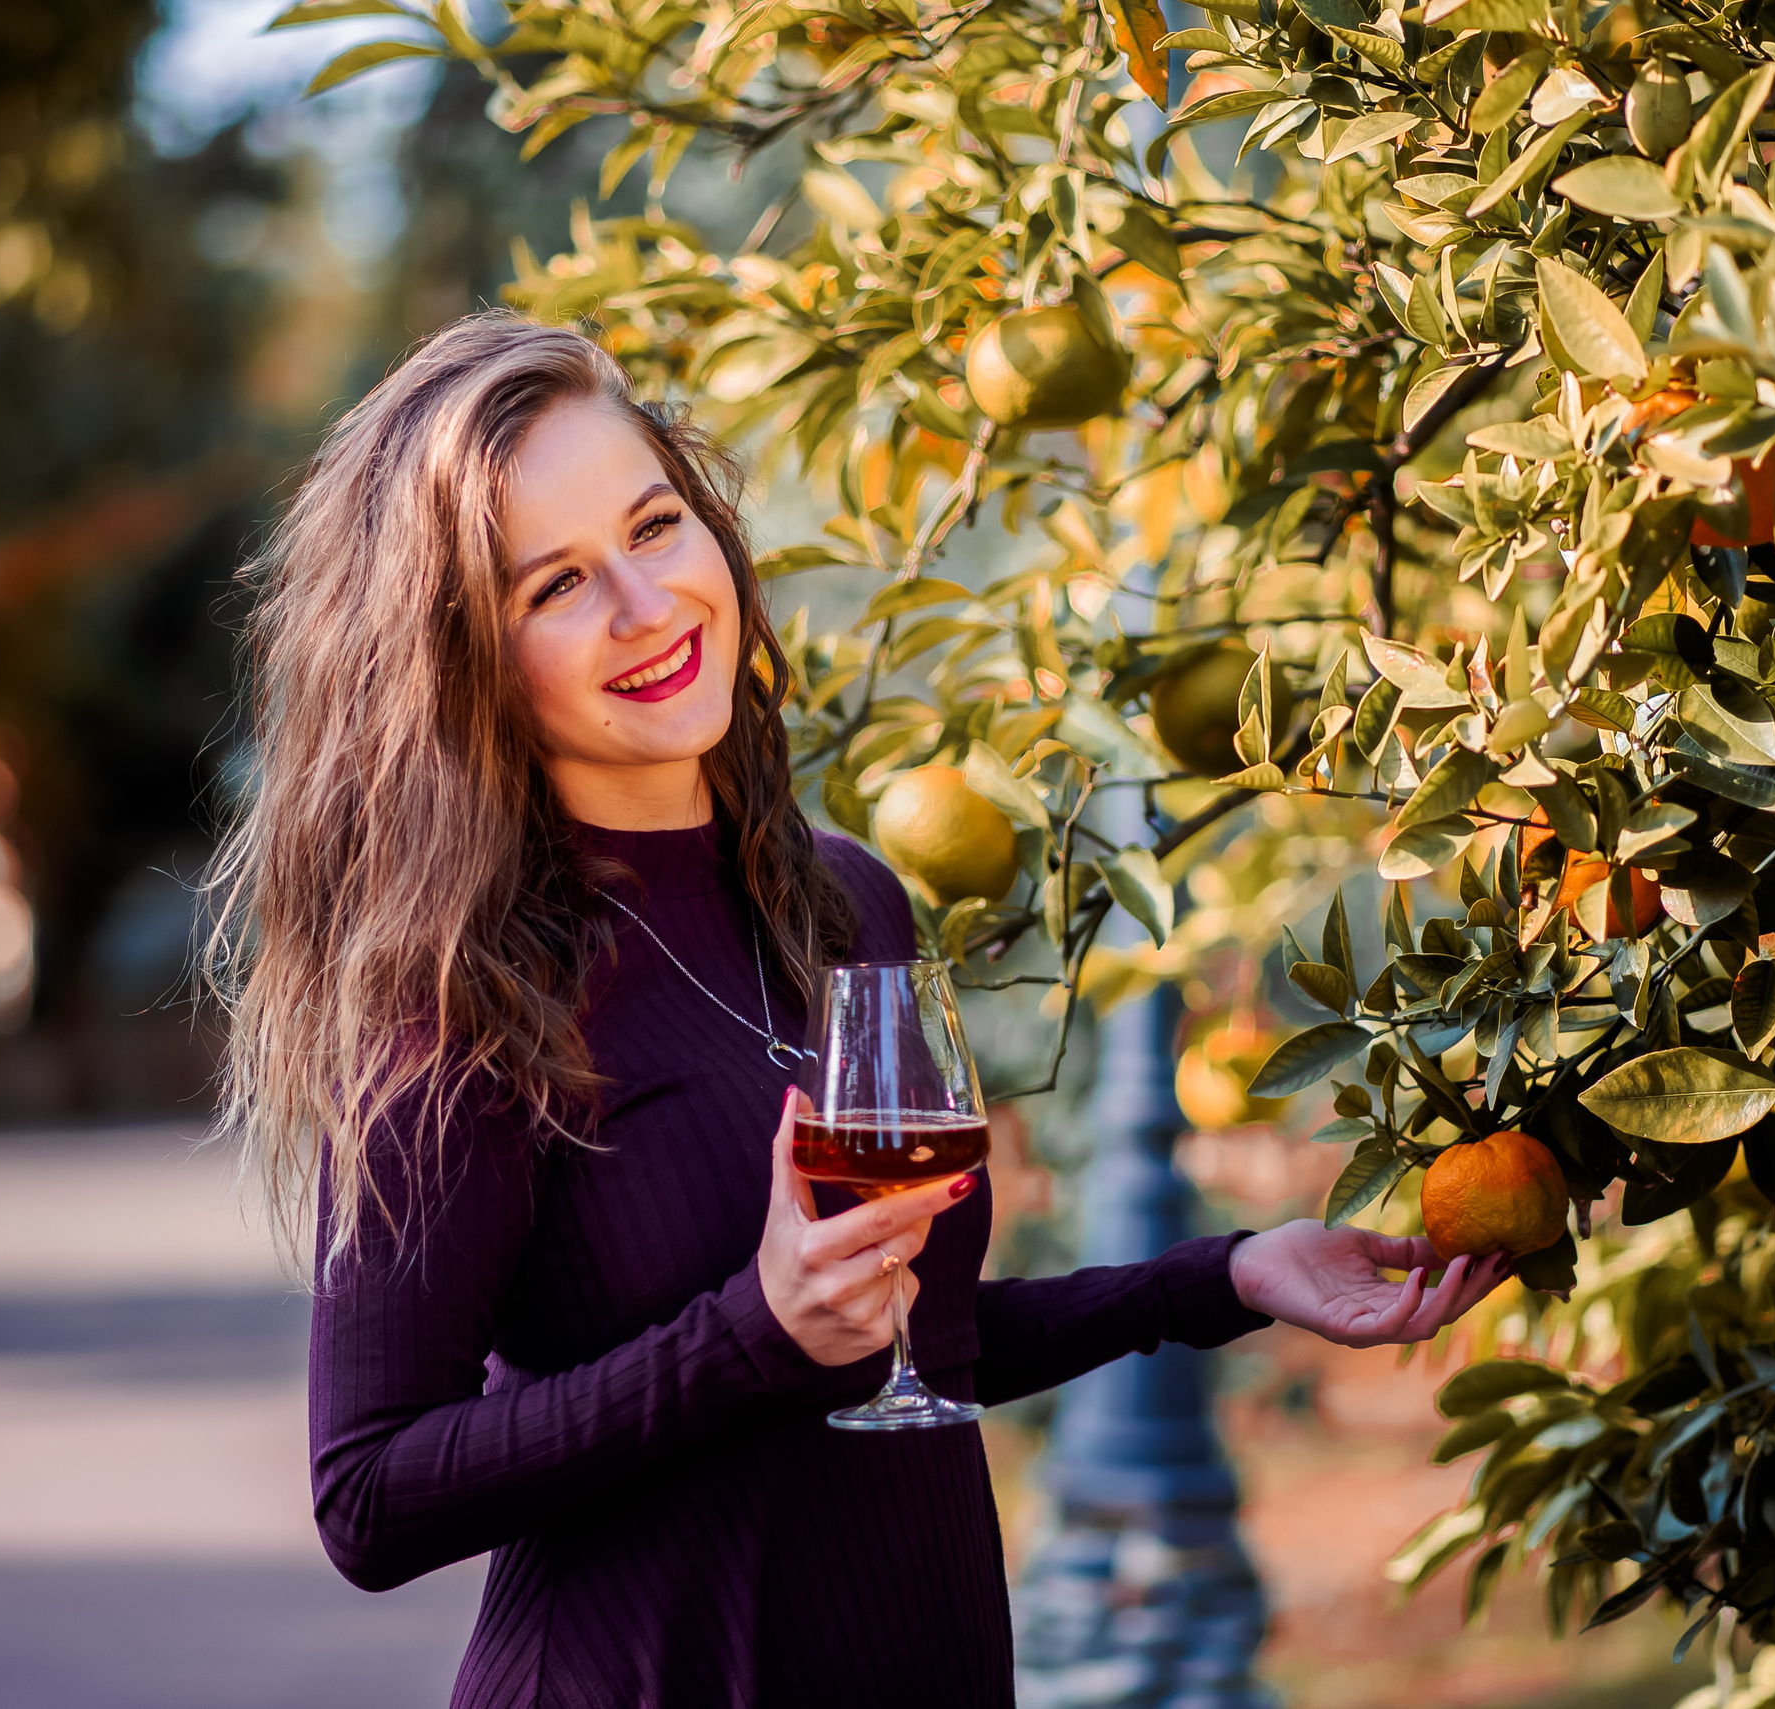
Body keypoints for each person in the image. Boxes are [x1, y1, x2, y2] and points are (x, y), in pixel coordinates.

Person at [204, 312, 1513, 1708]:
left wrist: (1220, 1276)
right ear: (462, 654)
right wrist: (747, 1333)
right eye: (557, 587)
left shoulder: (844, 906)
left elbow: (907, 1342)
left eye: (656, 527)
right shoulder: (461, 998)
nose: (647, 608)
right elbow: (370, 1491)